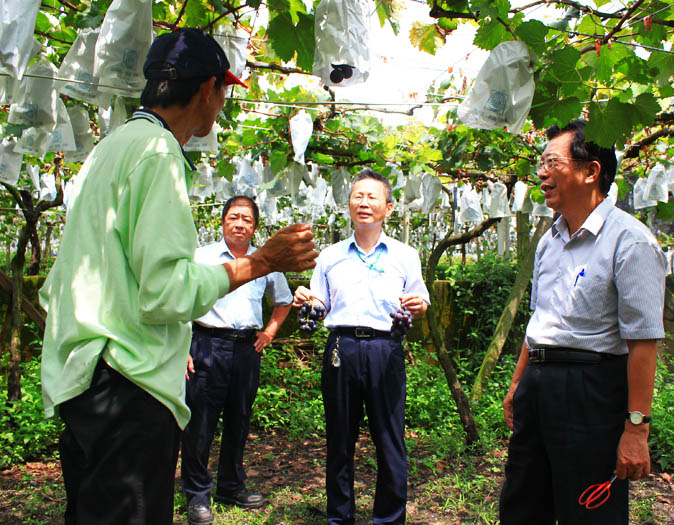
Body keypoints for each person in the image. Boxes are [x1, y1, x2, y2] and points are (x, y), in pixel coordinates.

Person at [39, 28, 317, 525]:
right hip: (127, 387)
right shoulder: (158, 153)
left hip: (83, 379)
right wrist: (262, 261)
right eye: (225, 94)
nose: (222, 106)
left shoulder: (110, 149)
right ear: (208, 89)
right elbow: (166, 293)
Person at [498, 120, 667, 524]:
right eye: (541, 163)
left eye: (551, 162)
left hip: (590, 390)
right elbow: (540, 317)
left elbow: (643, 342)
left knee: (589, 511)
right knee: (522, 502)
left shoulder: (631, 241)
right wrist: (519, 383)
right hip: (539, 385)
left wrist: (636, 430)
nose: (541, 173)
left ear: (590, 171)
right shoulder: (548, 240)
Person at [293, 168, 429, 524]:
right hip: (342, 348)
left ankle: (389, 518)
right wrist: (306, 298)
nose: (364, 202)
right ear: (349, 204)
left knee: (390, 440)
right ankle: (340, 517)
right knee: (339, 439)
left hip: (386, 350)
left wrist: (418, 306)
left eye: (372, 197)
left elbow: (421, 301)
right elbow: (321, 305)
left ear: (388, 207)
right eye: (358, 196)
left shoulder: (405, 255)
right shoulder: (330, 255)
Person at [180, 196, 293, 524]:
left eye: (246, 219)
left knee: (238, 419)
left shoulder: (265, 260)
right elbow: (181, 300)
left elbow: (283, 301)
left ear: (255, 226)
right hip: (206, 343)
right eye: (233, 217)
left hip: (246, 350)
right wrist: (183, 347)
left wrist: (269, 332)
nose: (240, 223)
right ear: (223, 221)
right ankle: (198, 494)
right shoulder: (202, 257)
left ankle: (230, 485)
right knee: (200, 422)